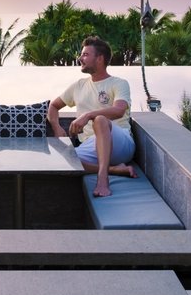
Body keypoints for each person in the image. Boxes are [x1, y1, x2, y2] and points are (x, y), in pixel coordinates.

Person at [48, 36, 136, 198]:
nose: (80, 58)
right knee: (62, 160)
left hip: (119, 141)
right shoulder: (79, 85)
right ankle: (114, 169)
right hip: (91, 144)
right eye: (81, 55)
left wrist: (88, 115)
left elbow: (119, 110)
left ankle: (103, 180)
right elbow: (53, 106)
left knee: (100, 120)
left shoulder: (119, 83)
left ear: (100, 58)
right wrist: (56, 127)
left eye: (86, 55)